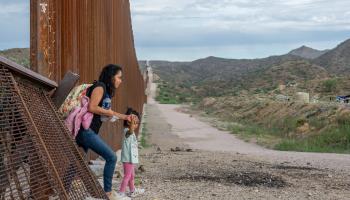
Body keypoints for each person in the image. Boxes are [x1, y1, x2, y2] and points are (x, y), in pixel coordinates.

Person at [75, 64, 137, 198]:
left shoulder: (106, 91)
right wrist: (108, 112)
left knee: (77, 162)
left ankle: (64, 188)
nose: (120, 80)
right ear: (111, 77)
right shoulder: (100, 87)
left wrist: (125, 117)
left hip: (87, 131)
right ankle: (107, 192)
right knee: (111, 157)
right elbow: (92, 107)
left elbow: (108, 112)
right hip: (86, 131)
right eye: (119, 77)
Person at [118, 108, 145, 198]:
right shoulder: (127, 131)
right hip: (128, 158)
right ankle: (121, 193)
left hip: (131, 158)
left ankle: (132, 190)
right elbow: (130, 132)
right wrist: (132, 126)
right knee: (127, 176)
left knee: (132, 175)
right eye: (134, 122)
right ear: (129, 122)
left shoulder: (131, 132)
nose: (136, 125)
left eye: (137, 123)